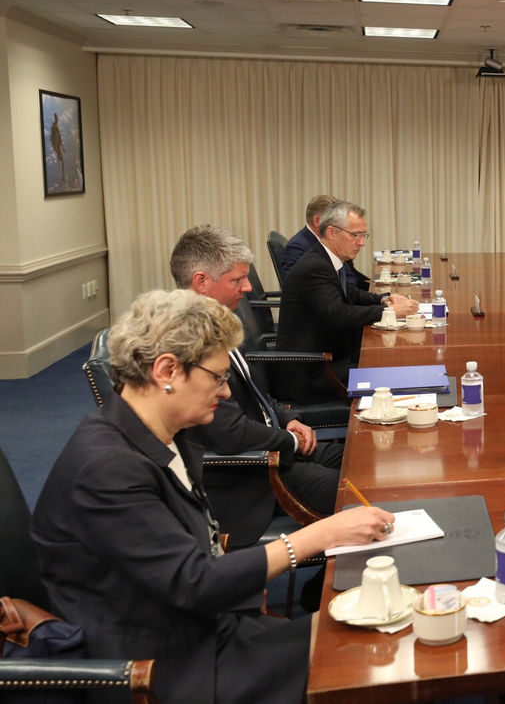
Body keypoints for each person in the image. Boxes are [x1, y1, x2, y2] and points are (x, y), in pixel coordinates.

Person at [30, 289, 393, 704]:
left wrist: (237, 576)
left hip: (201, 625)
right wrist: (321, 535)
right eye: (218, 378)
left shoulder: (166, 433)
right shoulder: (106, 468)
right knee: (365, 657)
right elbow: (194, 582)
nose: (224, 393)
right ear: (167, 370)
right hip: (161, 664)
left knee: (368, 636)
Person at [170, 225, 343, 547]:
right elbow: (228, 432)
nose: (248, 288)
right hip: (251, 472)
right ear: (201, 282)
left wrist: (287, 418)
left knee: (361, 462)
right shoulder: (188, 340)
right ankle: (326, 589)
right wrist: (289, 439)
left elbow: (252, 389)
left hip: (271, 445)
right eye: (237, 280)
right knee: (358, 490)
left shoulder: (217, 320)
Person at [275, 201, 416, 404]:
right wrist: (390, 311)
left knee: (396, 364)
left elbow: (350, 293)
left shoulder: (326, 258)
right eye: (355, 235)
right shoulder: (315, 266)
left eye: (363, 235)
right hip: (314, 372)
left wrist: (384, 299)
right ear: (332, 232)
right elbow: (338, 314)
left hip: (333, 358)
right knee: (397, 374)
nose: (361, 243)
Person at [281, 194, 368, 291]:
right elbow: (294, 288)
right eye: (333, 219)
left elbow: (349, 273)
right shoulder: (297, 247)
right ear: (317, 221)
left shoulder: (336, 242)